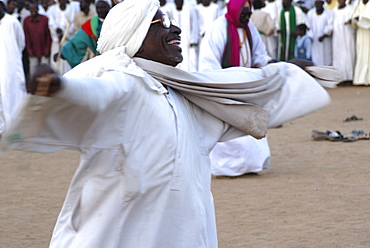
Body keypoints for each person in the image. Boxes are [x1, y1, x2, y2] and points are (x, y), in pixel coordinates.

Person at [1, 0, 331, 247]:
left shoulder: (191, 94)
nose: (175, 29)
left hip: (186, 232)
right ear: (133, 38)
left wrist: (287, 73)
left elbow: (240, 84)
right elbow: (95, 93)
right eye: (160, 23)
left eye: (172, 20)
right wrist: (60, 87)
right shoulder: (125, 82)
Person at [199, 0, 273, 178]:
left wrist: (270, 66)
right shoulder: (218, 28)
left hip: (247, 87)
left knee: (250, 128)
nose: (247, 17)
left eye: (249, 14)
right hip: (225, 87)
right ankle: (228, 169)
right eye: (244, 14)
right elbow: (208, 63)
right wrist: (224, 85)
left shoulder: (249, 28)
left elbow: (259, 54)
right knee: (228, 131)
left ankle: (251, 165)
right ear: (234, 11)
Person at [0, 0, 27, 134]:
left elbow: (21, 43)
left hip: (10, 66)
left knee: (13, 96)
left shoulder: (11, 21)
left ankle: (15, 131)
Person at [59, 0, 111, 67]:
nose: (100, 10)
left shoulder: (114, 21)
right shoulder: (91, 23)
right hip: (95, 60)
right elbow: (77, 40)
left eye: (103, 7)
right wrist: (64, 53)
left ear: (109, 7)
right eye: (98, 8)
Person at [23, 2, 52, 75]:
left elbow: (48, 35)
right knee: (33, 69)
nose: (33, 11)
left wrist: (47, 49)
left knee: (45, 69)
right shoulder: (26, 21)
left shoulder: (44, 19)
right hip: (33, 49)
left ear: (38, 9)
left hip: (44, 48)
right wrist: (29, 50)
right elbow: (26, 36)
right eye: (31, 9)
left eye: (35, 9)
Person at [47, 0, 75, 74]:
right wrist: (57, 31)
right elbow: (51, 23)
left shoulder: (71, 9)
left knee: (66, 61)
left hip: (67, 39)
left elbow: (72, 24)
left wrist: (65, 34)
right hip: (56, 40)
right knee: (56, 60)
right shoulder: (52, 9)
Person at [332, 0, 355, 82]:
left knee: (348, 55)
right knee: (338, 56)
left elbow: (354, 22)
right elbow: (331, 24)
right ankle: (340, 78)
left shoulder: (350, 9)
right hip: (337, 38)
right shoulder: (334, 10)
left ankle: (349, 78)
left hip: (347, 36)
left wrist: (351, 22)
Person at [172, 0, 199, 71]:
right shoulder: (172, 10)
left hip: (188, 41)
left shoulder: (189, 9)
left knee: (190, 61)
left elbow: (194, 24)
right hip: (177, 40)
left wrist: (193, 39)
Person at [306, 0, 333, 66]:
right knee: (316, 58)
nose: (318, 5)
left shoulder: (329, 13)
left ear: (323, 3)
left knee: (327, 58)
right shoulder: (310, 13)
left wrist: (324, 35)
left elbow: (330, 26)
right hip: (315, 42)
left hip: (326, 41)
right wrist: (311, 36)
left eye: (319, 3)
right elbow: (308, 26)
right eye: (316, 3)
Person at [350, 0, 370, 85]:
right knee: (361, 54)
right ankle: (361, 79)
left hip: (368, 32)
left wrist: (361, 19)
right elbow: (353, 18)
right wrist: (356, 20)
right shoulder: (357, 3)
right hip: (361, 33)